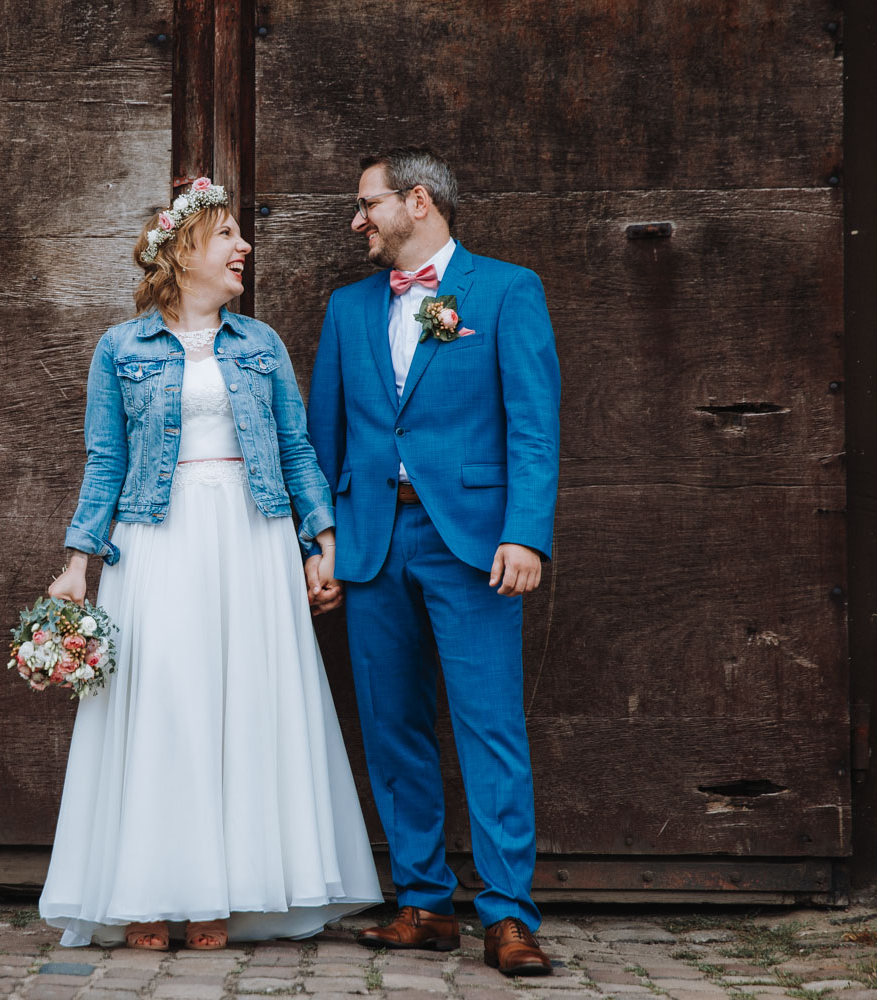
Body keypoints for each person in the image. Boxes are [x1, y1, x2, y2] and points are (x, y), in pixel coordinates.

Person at [38, 178, 382, 950]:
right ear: (183, 251)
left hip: (251, 536)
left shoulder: (261, 344)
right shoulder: (120, 348)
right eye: (227, 234)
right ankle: (149, 893)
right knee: (165, 707)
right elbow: (105, 460)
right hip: (157, 539)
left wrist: (321, 540)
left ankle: (220, 895)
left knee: (243, 706)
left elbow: (295, 448)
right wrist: (77, 563)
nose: (242, 247)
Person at [306, 147, 560, 976]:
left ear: (418, 201)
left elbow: (534, 424)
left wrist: (525, 532)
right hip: (374, 542)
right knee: (392, 727)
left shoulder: (507, 291)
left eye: (367, 204)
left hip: (475, 546)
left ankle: (508, 915)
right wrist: (321, 543)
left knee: (491, 725)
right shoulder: (348, 309)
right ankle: (422, 902)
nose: (358, 221)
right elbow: (322, 439)